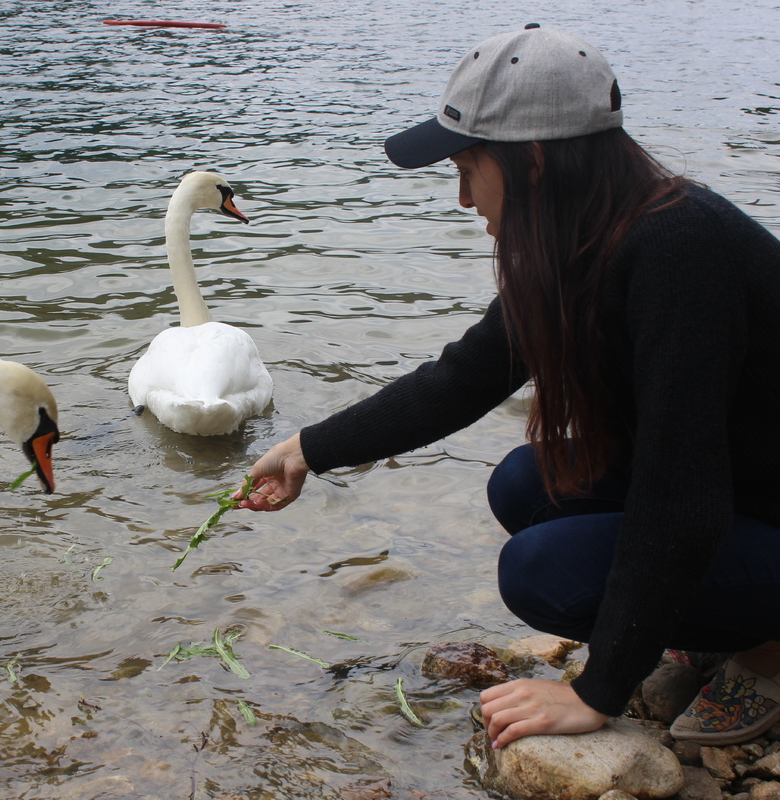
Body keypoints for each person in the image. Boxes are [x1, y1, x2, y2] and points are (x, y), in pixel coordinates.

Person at [234, 24, 780, 749]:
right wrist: (308, 449)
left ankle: (768, 653)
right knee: (526, 484)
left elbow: (682, 496)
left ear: (533, 166)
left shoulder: (679, 252)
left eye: (467, 169)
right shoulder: (589, 239)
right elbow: (461, 379)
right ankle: (712, 620)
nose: (463, 200)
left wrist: (597, 690)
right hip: (753, 484)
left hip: (754, 496)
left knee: (541, 572)